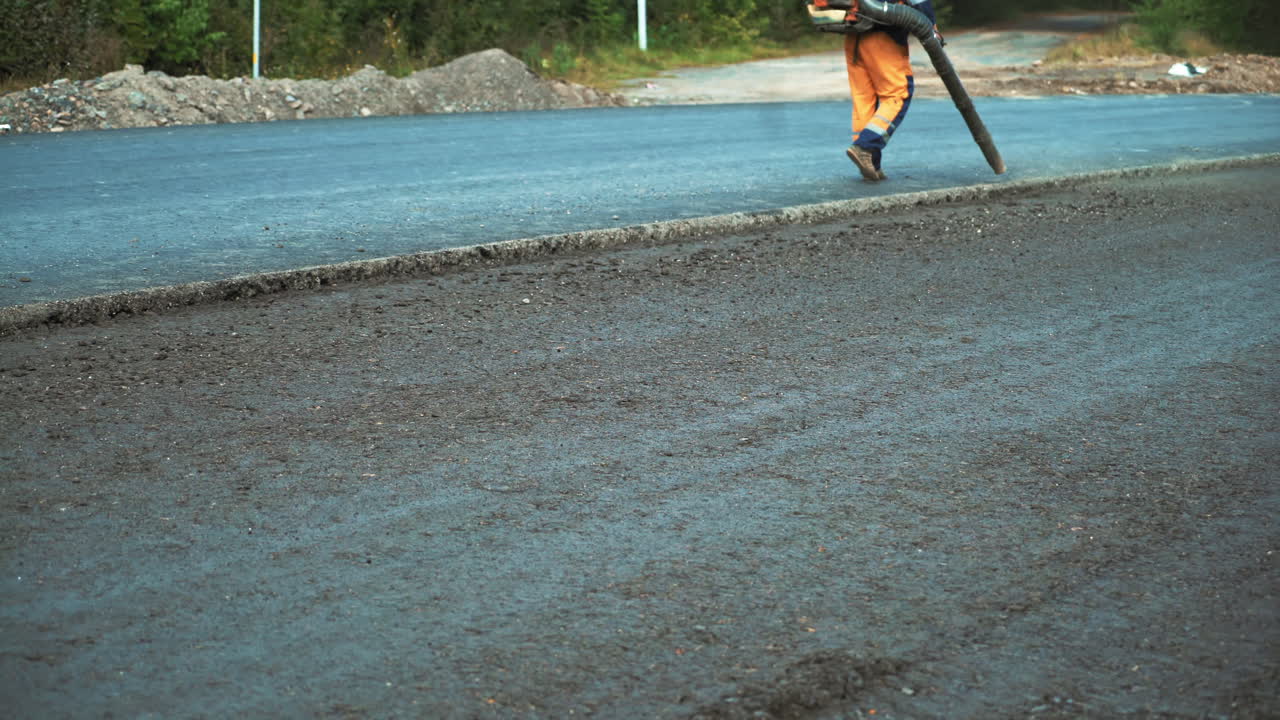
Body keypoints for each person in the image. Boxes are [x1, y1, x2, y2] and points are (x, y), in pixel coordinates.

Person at [842, 0, 936, 182]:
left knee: (864, 99)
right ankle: (865, 147)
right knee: (898, 94)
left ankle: (871, 163)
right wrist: (932, 27)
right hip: (883, 36)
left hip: (854, 36)